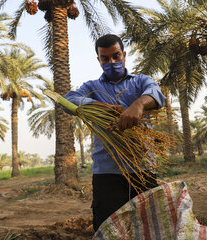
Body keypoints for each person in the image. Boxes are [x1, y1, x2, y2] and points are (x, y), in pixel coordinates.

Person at [63, 34, 166, 231]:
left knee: (149, 228)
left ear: (124, 55)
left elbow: (156, 94)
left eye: (116, 56)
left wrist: (138, 104)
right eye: (105, 58)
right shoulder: (92, 87)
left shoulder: (140, 82)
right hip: (107, 173)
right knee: (107, 229)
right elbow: (69, 101)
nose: (112, 62)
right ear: (99, 60)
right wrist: (102, 107)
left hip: (142, 169)